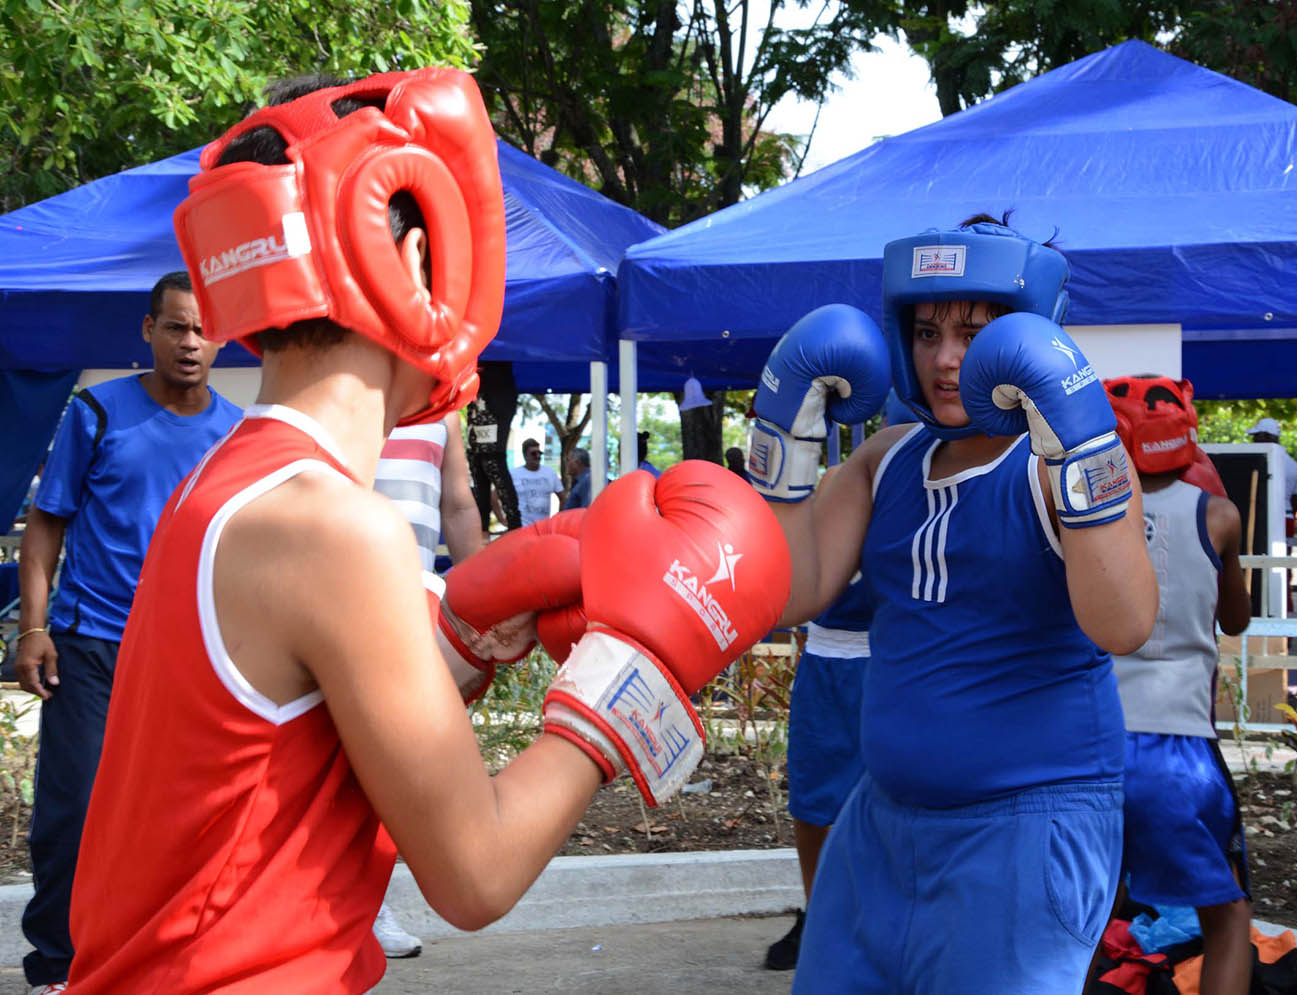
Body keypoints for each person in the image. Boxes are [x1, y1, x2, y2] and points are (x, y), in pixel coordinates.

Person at [63, 69, 788, 993]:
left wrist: (460, 634)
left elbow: (275, 756)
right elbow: (475, 873)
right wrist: (631, 675)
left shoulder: (218, 487)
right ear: (407, 259)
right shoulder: (335, 528)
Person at [745, 216, 1158, 993]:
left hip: (1026, 824)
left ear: (1024, 334)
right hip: (880, 823)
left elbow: (1124, 623)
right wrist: (785, 443)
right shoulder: (887, 457)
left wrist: (1081, 450)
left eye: (973, 332)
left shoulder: (1052, 470)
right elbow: (791, 596)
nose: (944, 358)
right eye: (926, 331)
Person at [14, 271, 242, 992]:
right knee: (76, 809)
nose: (190, 343)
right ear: (148, 331)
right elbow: (45, 524)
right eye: (175, 327)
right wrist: (32, 628)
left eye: (203, 329)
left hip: (187, 654)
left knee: (181, 816)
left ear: (222, 338)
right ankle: (58, 964)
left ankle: (161, 959)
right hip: (90, 645)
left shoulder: (238, 432)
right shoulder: (96, 411)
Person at [1104, 374, 1254, 995]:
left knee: (1087, 917)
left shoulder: (1088, 514)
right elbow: (1236, 619)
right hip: (1180, 749)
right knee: (1229, 915)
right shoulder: (1218, 515)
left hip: (1094, 743)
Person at [370, 411, 483, 958]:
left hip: (415, 603)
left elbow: (457, 506)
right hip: (346, 588)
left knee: (396, 757)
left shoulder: (445, 414)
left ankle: (368, 901)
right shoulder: (355, 389)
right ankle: (351, 906)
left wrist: (486, 599)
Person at [764, 569, 871, 972]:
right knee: (810, 802)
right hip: (826, 655)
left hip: (895, 654)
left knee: (900, 800)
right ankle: (818, 919)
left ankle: (888, 920)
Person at [376, 413, 481, 571]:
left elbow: (458, 509)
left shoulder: (444, 413)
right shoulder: (345, 404)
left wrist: (475, 580)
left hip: (416, 577)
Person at [465, 360, 521, 533]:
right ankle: (482, 527)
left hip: (495, 392)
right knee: (477, 463)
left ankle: (514, 525)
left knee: (492, 461)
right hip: (476, 391)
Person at [1247, 416, 1297, 519]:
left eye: (1256, 435)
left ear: (1267, 437)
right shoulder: (1293, 464)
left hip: (1262, 519)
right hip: (1286, 517)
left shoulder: (1257, 463)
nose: (1254, 440)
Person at [509, 437, 563, 527]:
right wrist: (503, 520)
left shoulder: (550, 473)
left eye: (540, 453)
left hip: (544, 528)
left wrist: (558, 519)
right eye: (533, 453)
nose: (538, 456)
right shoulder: (514, 474)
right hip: (522, 528)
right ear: (525, 455)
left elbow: (563, 498)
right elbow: (495, 496)